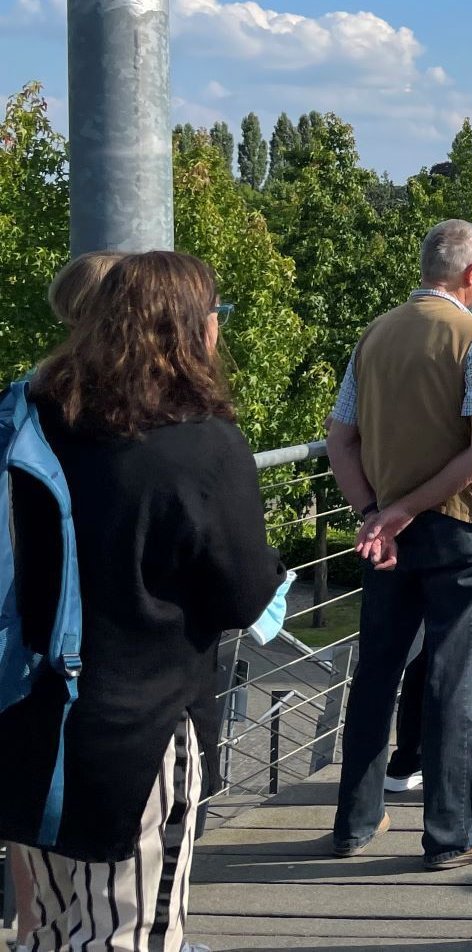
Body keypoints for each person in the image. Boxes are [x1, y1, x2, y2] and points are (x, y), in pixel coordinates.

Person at [0, 251, 285, 950]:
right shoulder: (204, 444)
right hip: (142, 729)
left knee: (49, 927)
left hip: (34, 711)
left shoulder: (36, 417)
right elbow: (243, 594)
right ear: (192, 328)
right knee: (128, 932)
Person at [326, 219, 472, 870]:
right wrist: (407, 509)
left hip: (387, 532)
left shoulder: (375, 335)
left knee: (378, 673)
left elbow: (340, 438)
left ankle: (354, 823)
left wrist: (376, 513)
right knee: (455, 680)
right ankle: (454, 832)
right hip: (463, 529)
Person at [5, 248, 133, 949]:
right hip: (95, 645)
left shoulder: (24, 399)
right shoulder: (118, 414)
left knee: (35, 829)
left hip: (25, 638)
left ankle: (33, 934)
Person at [382, 284, 472, 797]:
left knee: (416, 655)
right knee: (468, 657)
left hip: (405, 515)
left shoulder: (395, 345)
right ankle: (461, 781)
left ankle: (406, 760)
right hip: (471, 521)